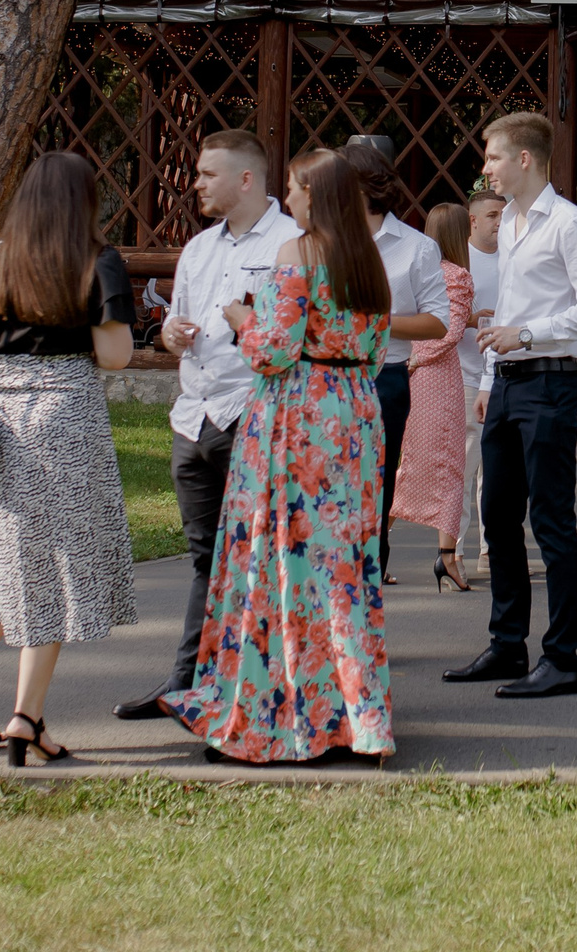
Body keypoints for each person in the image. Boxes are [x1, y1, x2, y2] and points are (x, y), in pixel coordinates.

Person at [161, 149, 396, 762]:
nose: (286, 199)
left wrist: (243, 317)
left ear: (314, 196)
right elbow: (372, 351)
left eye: (292, 189)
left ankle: (284, 712)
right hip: (353, 411)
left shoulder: (298, 253)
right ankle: (355, 715)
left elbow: (273, 351)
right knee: (344, 564)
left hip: (297, 415)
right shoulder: (367, 257)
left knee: (281, 558)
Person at [0, 151, 138, 766]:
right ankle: (27, 717)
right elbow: (116, 355)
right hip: (65, 417)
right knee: (52, 567)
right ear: (85, 201)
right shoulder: (98, 262)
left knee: (4, 559)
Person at [113, 130, 301, 722]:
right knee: (205, 557)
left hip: (251, 412)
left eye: (206, 173)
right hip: (193, 419)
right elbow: (177, 322)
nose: (196, 183)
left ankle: (250, 690)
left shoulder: (291, 244)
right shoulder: (197, 248)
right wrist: (170, 333)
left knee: (256, 558)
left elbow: (291, 336)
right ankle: (187, 682)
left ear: (246, 179)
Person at [446, 111, 577, 698]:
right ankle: (507, 646)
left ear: (524, 159)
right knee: (497, 515)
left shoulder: (568, 224)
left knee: (551, 522)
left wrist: (528, 334)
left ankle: (562, 659)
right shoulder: (512, 223)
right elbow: (511, 310)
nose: (485, 166)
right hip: (508, 384)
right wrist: (494, 377)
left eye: (492, 156)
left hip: (549, 382)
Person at [341, 135, 448, 584]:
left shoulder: (416, 247)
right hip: (320, 378)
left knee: (373, 498)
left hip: (383, 380)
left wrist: (376, 321)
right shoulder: (315, 241)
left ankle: (365, 612)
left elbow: (438, 322)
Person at [392, 202, 477, 591]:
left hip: (408, 369)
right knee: (443, 464)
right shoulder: (457, 275)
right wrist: (415, 360)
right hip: (436, 378)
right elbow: (448, 331)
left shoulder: (419, 268)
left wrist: (406, 359)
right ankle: (446, 558)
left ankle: (375, 546)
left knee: (406, 463)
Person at [462, 189, 505, 575]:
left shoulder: (514, 257)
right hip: (463, 370)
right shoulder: (461, 259)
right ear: (473, 220)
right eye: (492, 215)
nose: (499, 221)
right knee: (465, 462)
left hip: (503, 372)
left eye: (502, 214)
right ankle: (453, 549)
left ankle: (491, 548)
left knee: (495, 468)